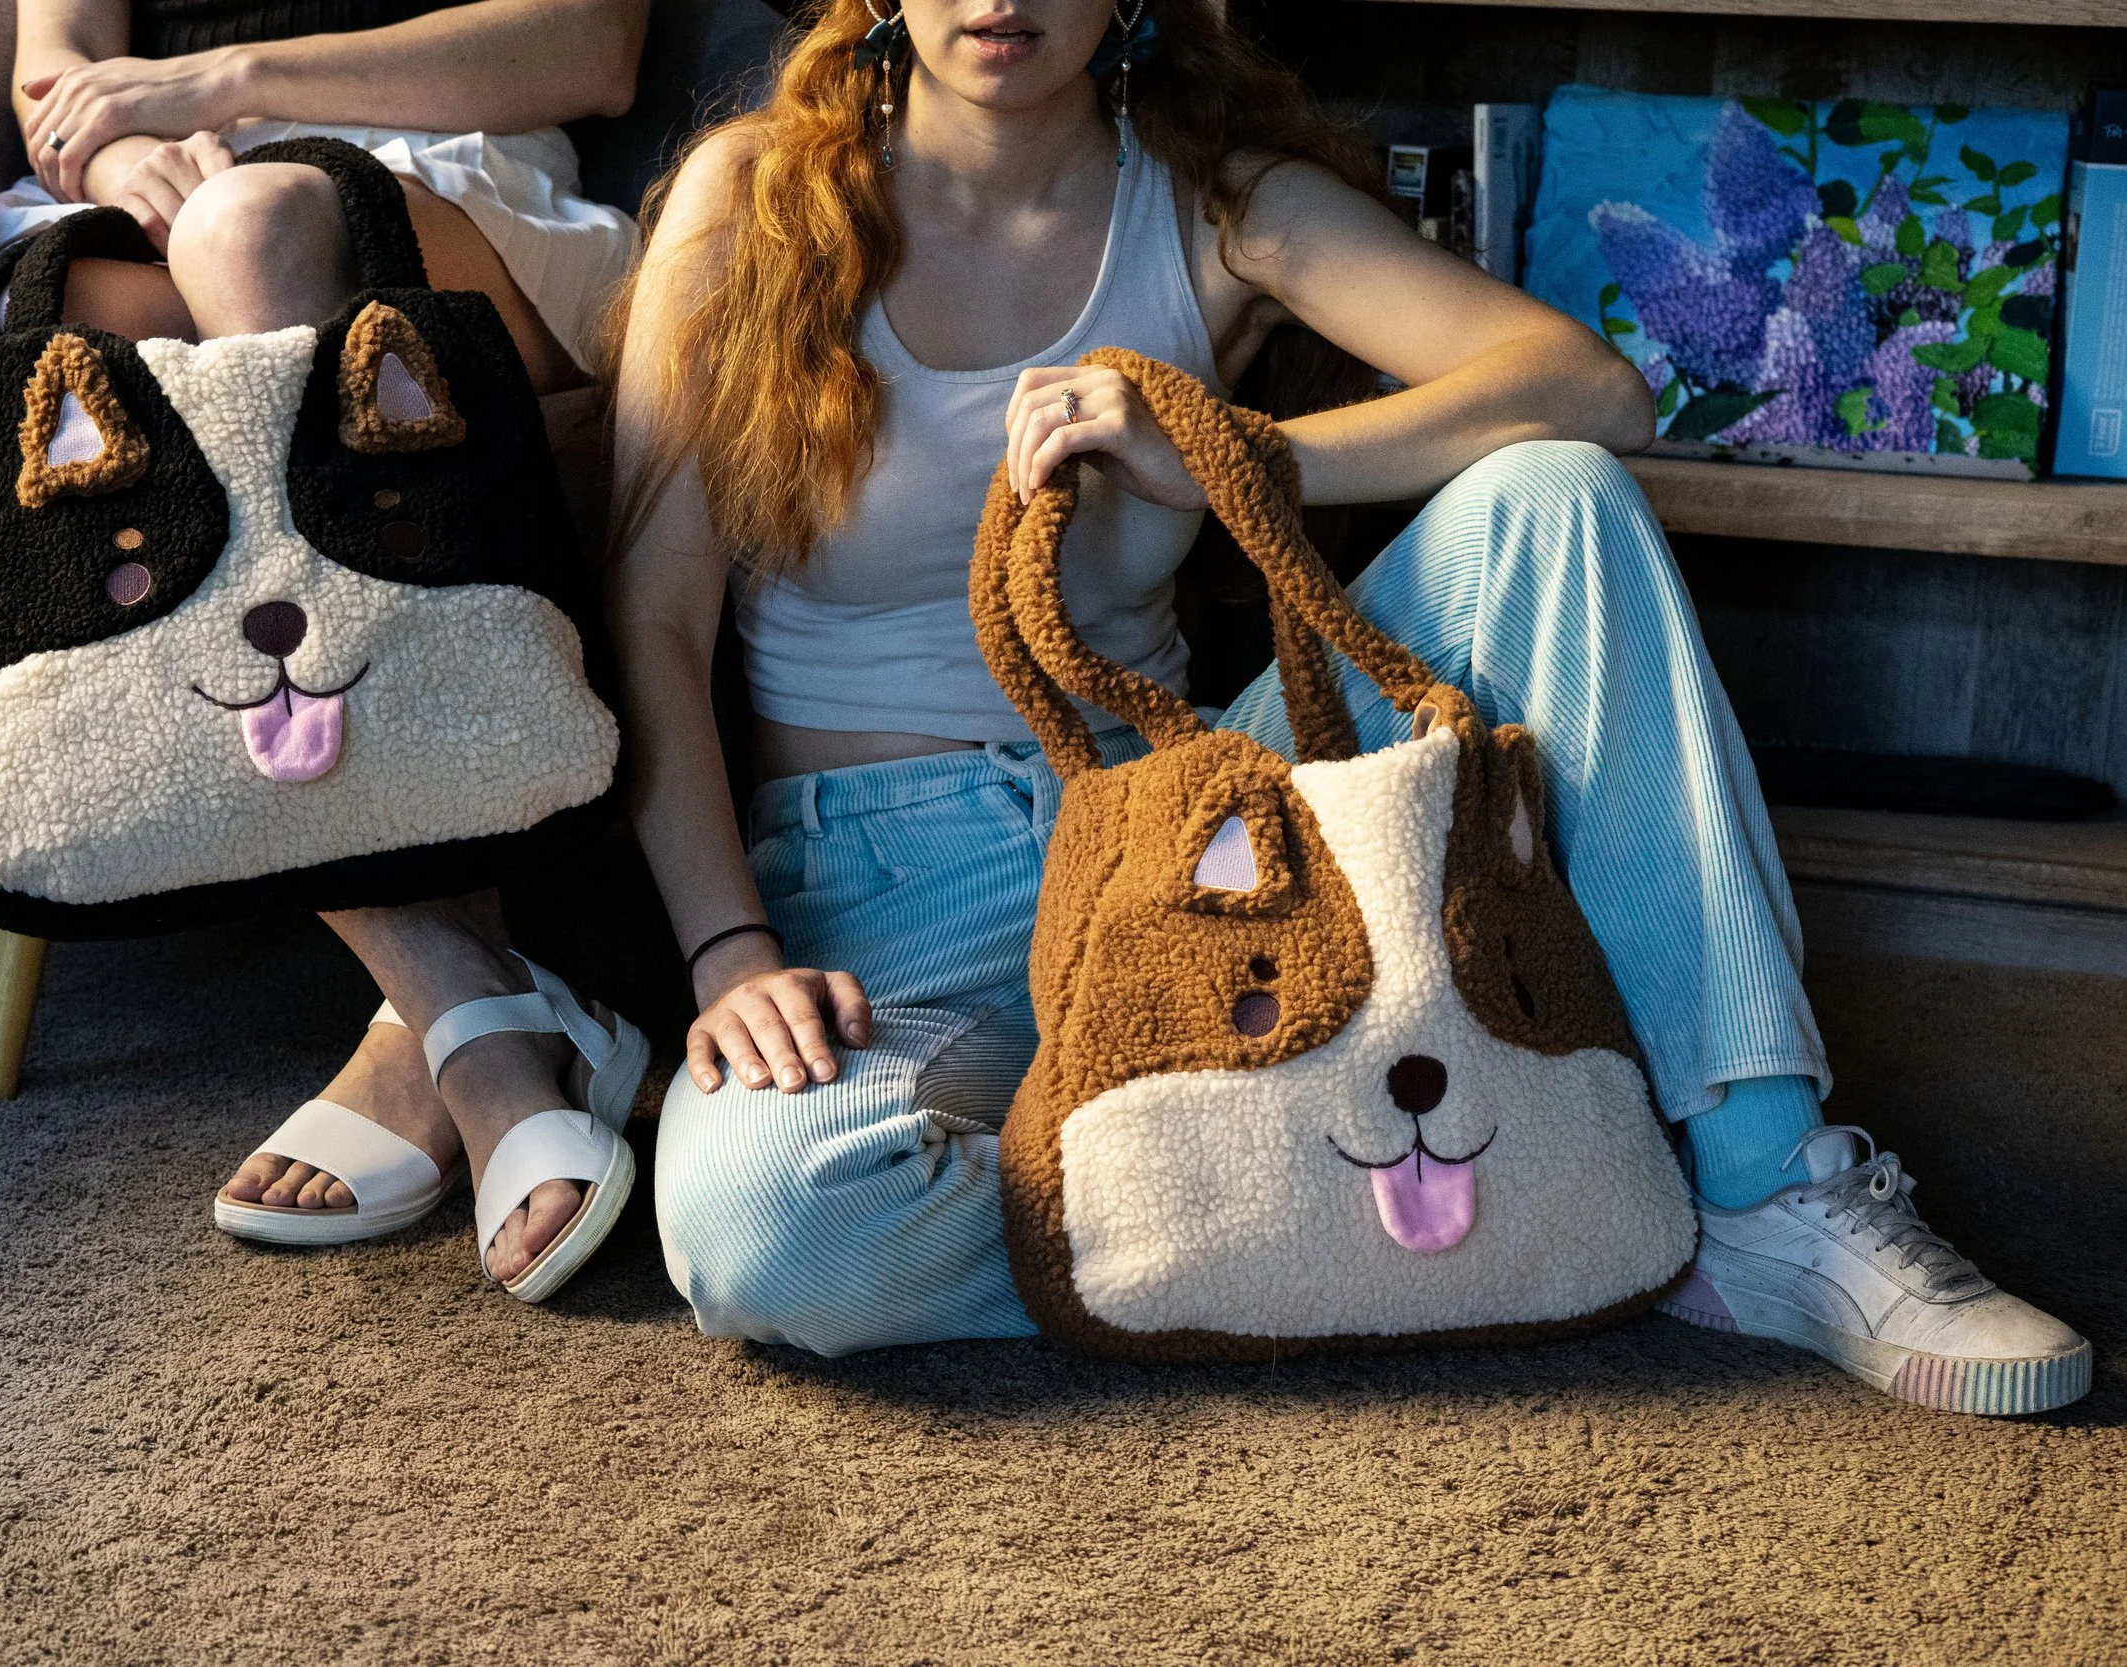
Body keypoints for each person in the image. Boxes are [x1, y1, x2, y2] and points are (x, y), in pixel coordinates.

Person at [604, 0, 2091, 1412]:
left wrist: (1233, 454)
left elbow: (1586, 388)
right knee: (762, 1232)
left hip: (1200, 851)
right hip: (882, 895)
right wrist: (730, 953)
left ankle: (1768, 1186)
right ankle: (1409, 1224)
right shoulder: (756, 202)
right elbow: (655, 624)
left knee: (1550, 501)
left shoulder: (1206, 199)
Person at [2, 0, 660, 1295]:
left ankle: (446, 1025)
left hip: (452, 189)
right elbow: (52, 71)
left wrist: (219, 84)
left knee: (250, 230)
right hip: (166, 188)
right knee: (86, 313)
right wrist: (111, 148)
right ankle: (456, 998)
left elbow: (592, 46)